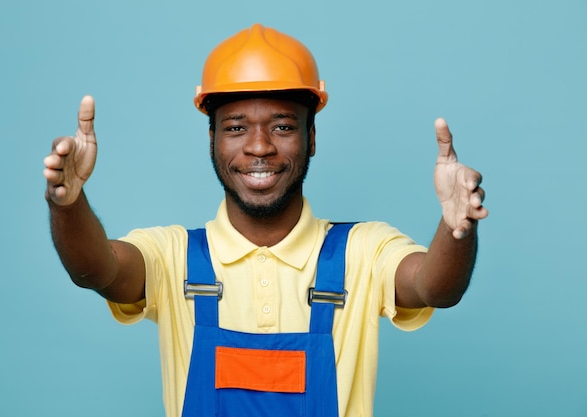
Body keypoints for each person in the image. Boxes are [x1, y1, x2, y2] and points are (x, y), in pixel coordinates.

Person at [43, 23, 488, 417]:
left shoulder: (362, 251)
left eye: (282, 126)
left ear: (311, 138)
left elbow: (435, 288)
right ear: (213, 139)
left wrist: (456, 229)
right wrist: (68, 204)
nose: (259, 147)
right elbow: (97, 270)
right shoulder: (173, 255)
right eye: (236, 127)